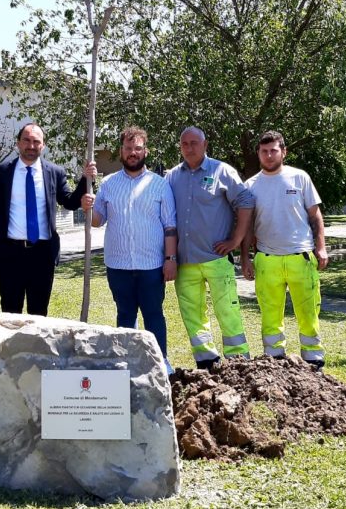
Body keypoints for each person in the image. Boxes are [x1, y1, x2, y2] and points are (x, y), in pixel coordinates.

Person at [81, 127, 177, 373]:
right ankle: (126, 364)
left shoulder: (159, 185)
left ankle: (160, 361)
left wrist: (170, 258)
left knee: (154, 314)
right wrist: (87, 206)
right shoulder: (109, 184)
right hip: (118, 264)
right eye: (128, 148)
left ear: (145, 151)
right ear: (121, 151)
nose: (132, 153)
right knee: (125, 316)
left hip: (151, 265)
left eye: (137, 148)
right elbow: (97, 220)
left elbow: (169, 226)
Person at [165, 126, 252, 369]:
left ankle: (238, 362)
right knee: (192, 315)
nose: (190, 148)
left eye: (194, 143)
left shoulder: (222, 171)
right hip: (185, 262)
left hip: (216, 258)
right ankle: (206, 361)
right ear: (180, 147)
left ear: (205, 145)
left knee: (228, 311)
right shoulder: (172, 177)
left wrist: (235, 240)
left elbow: (246, 201)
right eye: (185, 144)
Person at [241, 130, 329, 370]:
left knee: (308, 312)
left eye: (274, 151)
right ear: (258, 153)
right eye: (264, 151)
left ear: (283, 152)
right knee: (270, 314)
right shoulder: (250, 186)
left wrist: (320, 247)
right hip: (267, 260)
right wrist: (246, 259)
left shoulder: (299, 178)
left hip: (300, 257)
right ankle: (274, 360)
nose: (269, 156)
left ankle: (313, 360)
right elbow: (247, 226)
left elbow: (316, 216)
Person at [0, 123, 95, 315]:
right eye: (26, 140)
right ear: (18, 144)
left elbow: (69, 202)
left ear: (43, 145)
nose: (31, 145)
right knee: (10, 312)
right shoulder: (2, 172)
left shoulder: (55, 172)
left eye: (36, 141)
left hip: (42, 254)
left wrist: (85, 180)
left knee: (39, 313)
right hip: (10, 255)